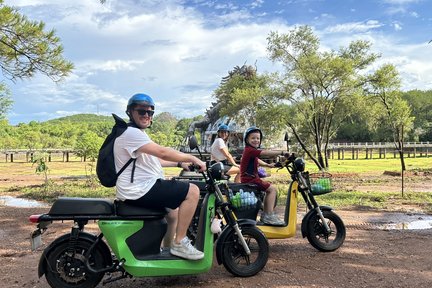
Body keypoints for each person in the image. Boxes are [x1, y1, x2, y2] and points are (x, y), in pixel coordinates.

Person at [114, 93, 206, 260]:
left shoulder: (135, 133)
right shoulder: (131, 133)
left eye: (150, 113)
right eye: (141, 111)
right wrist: (191, 157)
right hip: (139, 190)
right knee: (192, 191)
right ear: (130, 112)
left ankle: (168, 248)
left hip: (140, 188)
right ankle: (180, 243)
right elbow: (163, 152)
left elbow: (153, 160)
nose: (146, 116)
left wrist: (179, 164)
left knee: (173, 213)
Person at [240, 126, 285, 226]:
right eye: (253, 138)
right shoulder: (249, 150)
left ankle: (266, 214)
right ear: (247, 139)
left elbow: (257, 159)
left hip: (250, 178)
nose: (256, 140)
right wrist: (282, 152)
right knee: (272, 189)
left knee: (268, 187)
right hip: (250, 179)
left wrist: (268, 165)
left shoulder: (250, 150)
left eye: (258, 138)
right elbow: (264, 152)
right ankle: (268, 215)